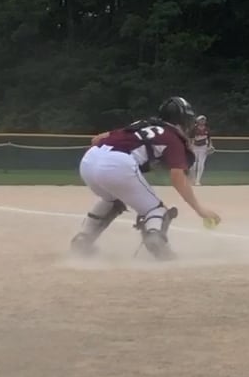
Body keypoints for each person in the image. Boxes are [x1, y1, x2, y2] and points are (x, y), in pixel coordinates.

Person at [71, 97, 220, 262]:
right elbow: (177, 177)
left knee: (112, 201)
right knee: (156, 210)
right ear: (182, 120)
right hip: (117, 163)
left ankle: (83, 240)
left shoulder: (142, 124)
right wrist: (199, 209)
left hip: (89, 160)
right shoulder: (172, 137)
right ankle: (157, 243)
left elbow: (96, 139)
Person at [189, 115, 214, 184]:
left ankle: (198, 180)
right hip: (194, 147)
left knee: (201, 164)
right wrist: (190, 147)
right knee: (193, 164)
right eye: (201, 120)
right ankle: (193, 179)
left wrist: (210, 146)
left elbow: (209, 138)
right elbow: (190, 138)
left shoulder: (207, 129)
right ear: (197, 121)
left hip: (203, 147)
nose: (202, 121)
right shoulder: (194, 129)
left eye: (204, 120)